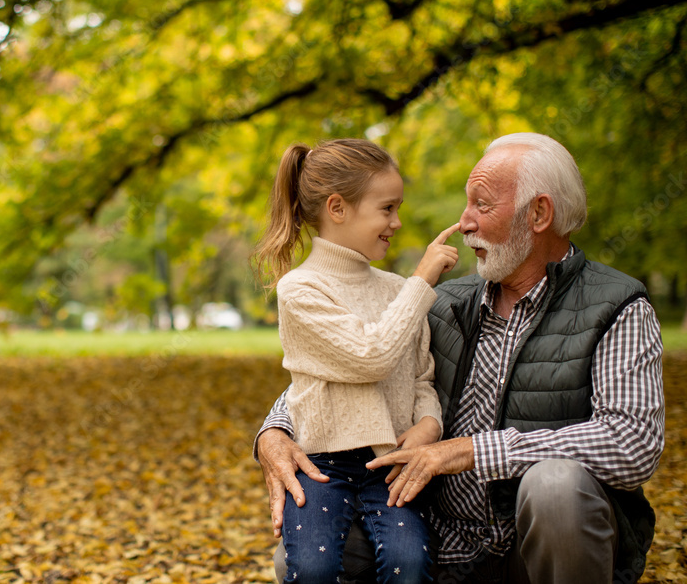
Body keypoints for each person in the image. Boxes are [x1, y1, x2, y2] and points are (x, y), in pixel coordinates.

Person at [255, 133, 665, 584]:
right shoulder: (441, 302)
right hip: (444, 544)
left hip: (536, 556)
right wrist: (274, 432)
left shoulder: (616, 308)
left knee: (556, 488)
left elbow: (632, 443)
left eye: (482, 205)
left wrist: (473, 451)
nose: (464, 222)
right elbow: (346, 368)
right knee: (299, 557)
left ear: (539, 214)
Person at [253, 138, 460, 583]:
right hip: (322, 465)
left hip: (390, 463)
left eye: (398, 208)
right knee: (312, 568)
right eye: (386, 208)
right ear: (337, 208)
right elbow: (371, 357)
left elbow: (421, 376)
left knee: (411, 565)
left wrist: (429, 423)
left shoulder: (397, 290)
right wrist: (422, 279)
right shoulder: (301, 290)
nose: (397, 222)